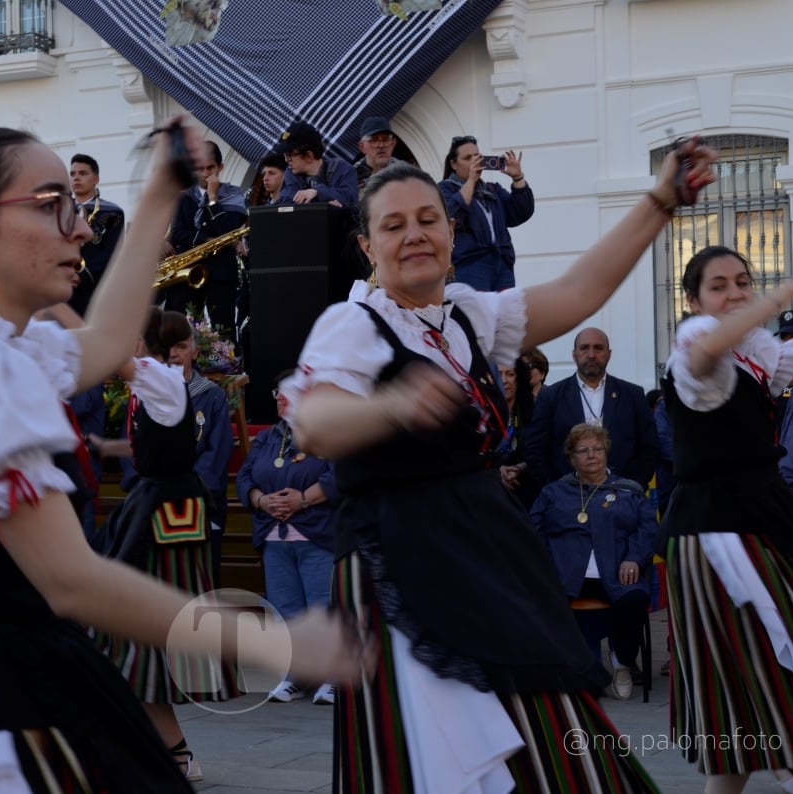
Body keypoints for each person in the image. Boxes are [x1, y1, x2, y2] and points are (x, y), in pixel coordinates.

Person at [0, 124, 362, 791]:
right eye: (51, 204)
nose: (81, 229)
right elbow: (72, 579)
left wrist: (158, 193)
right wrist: (269, 644)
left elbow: (108, 338)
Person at [283, 139, 718, 791]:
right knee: (446, 760)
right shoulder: (354, 326)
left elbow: (580, 288)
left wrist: (660, 201)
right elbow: (314, 423)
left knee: (552, 740)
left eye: (428, 219)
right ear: (368, 248)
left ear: (452, 231)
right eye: (392, 226)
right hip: (399, 561)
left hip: (487, 552)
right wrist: (395, 407)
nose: (414, 235)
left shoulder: (468, 316)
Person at [660, 245, 793, 793]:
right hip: (718, 531)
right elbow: (711, 346)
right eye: (719, 285)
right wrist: (789, 288)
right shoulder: (693, 348)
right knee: (770, 692)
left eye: (743, 281)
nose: (735, 293)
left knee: (749, 712)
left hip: (761, 518)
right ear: (692, 301)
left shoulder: (754, 352)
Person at [86, 309, 234, 782]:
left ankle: (173, 753)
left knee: (139, 644)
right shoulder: (156, 385)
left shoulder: (161, 379)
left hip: (164, 517)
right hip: (156, 510)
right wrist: (111, 450)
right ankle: (159, 750)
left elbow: (112, 358)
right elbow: (161, 444)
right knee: (130, 644)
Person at [529, 423, 655, 701]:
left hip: (617, 574)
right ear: (571, 457)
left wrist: (634, 557)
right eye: (582, 450)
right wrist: (546, 567)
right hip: (565, 576)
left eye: (597, 449)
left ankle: (621, 662)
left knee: (634, 599)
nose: (591, 455)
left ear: (607, 452)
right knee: (543, 603)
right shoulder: (553, 493)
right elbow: (533, 533)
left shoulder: (629, 492)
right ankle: (575, 673)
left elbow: (647, 529)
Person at [237, 371, 338, 706]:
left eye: (287, 391)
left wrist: (303, 499)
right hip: (274, 537)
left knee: (321, 609)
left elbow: (340, 475)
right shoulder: (268, 437)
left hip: (318, 535)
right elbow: (246, 476)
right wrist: (261, 500)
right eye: (276, 391)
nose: (279, 397)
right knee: (286, 611)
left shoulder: (329, 432)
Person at [524, 327, 660, 492]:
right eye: (584, 348)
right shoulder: (551, 397)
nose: (591, 354)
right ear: (574, 354)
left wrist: (635, 485)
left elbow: (649, 447)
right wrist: (554, 490)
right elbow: (535, 449)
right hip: (566, 497)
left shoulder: (632, 395)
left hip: (622, 496)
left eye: (598, 348)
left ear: (609, 354)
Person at [165, 140, 248, 336]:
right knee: (185, 329)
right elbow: (178, 233)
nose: (205, 174)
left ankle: (226, 365)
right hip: (188, 272)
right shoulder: (182, 197)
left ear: (220, 167)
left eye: (210, 168)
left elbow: (227, 231)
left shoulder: (235, 195)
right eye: (199, 168)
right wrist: (205, 239)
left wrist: (212, 199)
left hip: (221, 274)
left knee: (223, 330)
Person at [439, 135, 534, 291]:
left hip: (502, 264)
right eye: (467, 158)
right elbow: (452, 216)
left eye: (477, 157)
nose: (475, 162)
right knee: (475, 315)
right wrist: (471, 181)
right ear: (453, 164)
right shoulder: (445, 189)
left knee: (505, 315)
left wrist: (518, 178)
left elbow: (520, 213)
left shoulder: (491, 189)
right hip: (469, 266)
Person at [68, 153, 125, 318]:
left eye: (83, 173)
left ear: (96, 179)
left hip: (93, 289)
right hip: (62, 286)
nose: (76, 178)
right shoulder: (61, 210)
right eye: (73, 174)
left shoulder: (112, 212)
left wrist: (82, 276)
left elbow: (110, 252)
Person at [276, 121, 359, 208]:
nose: (286, 160)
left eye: (289, 155)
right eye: (285, 155)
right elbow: (286, 202)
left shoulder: (341, 169)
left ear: (309, 156)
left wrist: (318, 192)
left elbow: (350, 197)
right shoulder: (290, 174)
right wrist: (323, 204)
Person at [497, 356, 535, 507]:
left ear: (518, 379)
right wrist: (496, 471)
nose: (504, 380)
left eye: (510, 374)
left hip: (523, 487)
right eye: (499, 374)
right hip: (488, 489)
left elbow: (540, 451)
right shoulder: (480, 414)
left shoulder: (533, 412)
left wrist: (520, 468)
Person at [354, 116, 402, 191]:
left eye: (385, 139)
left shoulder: (407, 174)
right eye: (373, 140)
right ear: (362, 147)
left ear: (393, 143)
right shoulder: (350, 177)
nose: (381, 145)